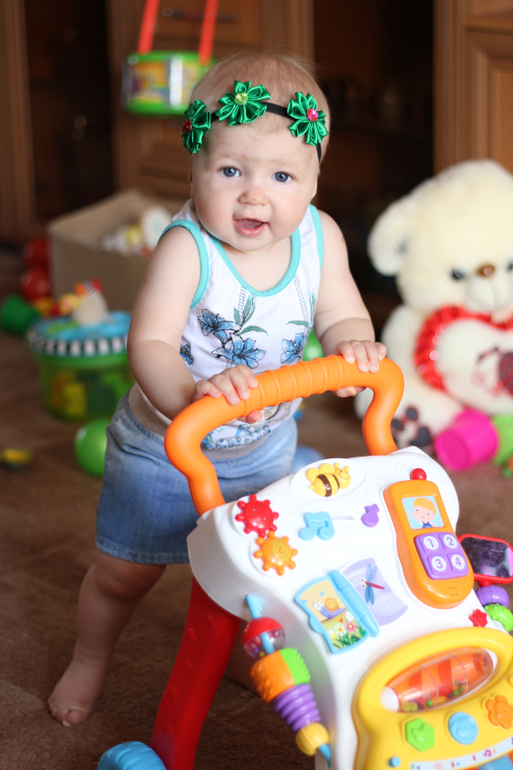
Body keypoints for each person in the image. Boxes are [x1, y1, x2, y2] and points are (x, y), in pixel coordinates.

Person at [48, 51, 386, 727]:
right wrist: (193, 396)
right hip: (165, 449)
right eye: (231, 171)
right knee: (126, 573)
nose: (254, 196)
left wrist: (354, 341)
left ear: (313, 181)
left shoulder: (321, 239)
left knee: (251, 567)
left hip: (263, 446)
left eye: (281, 176)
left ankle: (232, 645)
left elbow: (340, 311)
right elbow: (148, 343)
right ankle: (88, 657)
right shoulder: (186, 248)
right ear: (194, 171)